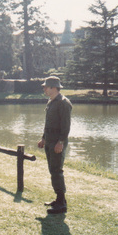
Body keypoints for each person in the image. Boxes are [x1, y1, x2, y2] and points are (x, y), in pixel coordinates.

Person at [37, 76, 72, 215]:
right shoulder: (51, 102)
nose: (44, 89)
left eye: (46, 87)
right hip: (50, 140)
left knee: (57, 171)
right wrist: (44, 138)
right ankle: (58, 199)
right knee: (53, 170)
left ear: (53, 88)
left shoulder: (64, 103)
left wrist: (61, 142)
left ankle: (61, 203)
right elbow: (48, 123)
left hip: (58, 141)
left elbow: (66, 126)